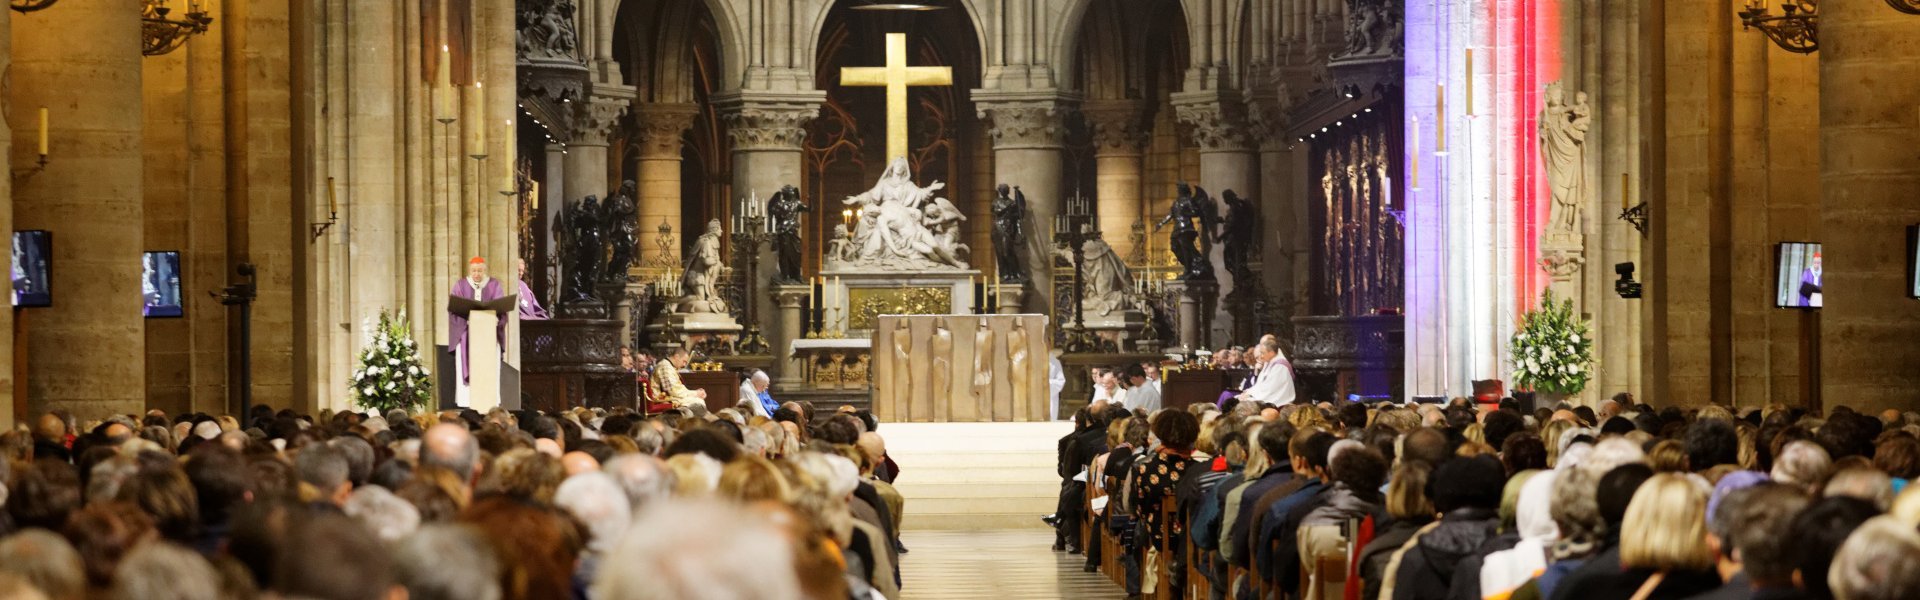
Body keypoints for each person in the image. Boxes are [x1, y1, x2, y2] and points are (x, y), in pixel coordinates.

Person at [449, 256, 509, 408]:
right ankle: (467, 401)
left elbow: (501, 309)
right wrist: (467, 320)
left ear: (484, 270)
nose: (477, 274)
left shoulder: (494, 285)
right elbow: (454, 311)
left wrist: (494, 321)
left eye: (480, 270)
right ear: (470, 270)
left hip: (488, 336)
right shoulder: (460, 285)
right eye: (474, 270)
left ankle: (490, 402)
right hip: (466, 335)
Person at [1238, 336, 1297, 406]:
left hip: (1277, 403)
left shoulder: (1280, 366)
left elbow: (1270, 390)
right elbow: (1260, 384)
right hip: (1266, 397)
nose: (1261, 356)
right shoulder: (1268, 363)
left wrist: (1251, 396)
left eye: (1263, 353)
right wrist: (1248, 392)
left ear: (1271, 353)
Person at [651, 347, 709, 414]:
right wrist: (695, 393)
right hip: (663, 399)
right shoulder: (665, 367)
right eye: (684, 361)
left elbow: (677, 388)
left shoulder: (669, 366)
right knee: (698, 402)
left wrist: (695, 393)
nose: (684, 365)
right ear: (677, 357)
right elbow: (673, 391)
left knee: (698, 400)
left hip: (671, 396)